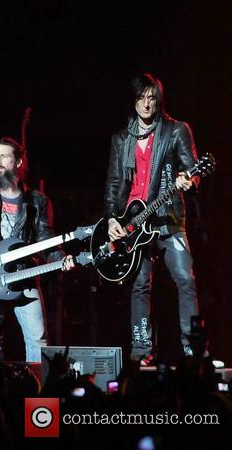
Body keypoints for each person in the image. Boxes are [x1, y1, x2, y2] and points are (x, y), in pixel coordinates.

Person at [104, 73, 200, 366]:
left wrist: (189, 180)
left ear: (159, 100)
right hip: (133, 222)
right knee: (140, 284)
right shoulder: (121, 139)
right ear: (133, 101)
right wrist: (111, 219)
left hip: (168, 217)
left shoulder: (176, 130)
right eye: (141, 97)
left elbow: (192, 170)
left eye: (151, 98)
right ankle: (141, 350)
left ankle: (193, 348)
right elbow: (113, 184)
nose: (146, 104)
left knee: (184, 279)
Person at [0, 136, 74, 362]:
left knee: (38, 342)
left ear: (18, 162)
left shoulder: (37, 201)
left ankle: (36, 394)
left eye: (4, 156)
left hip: (23, 276)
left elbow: (45, 237)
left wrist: (61, 258)